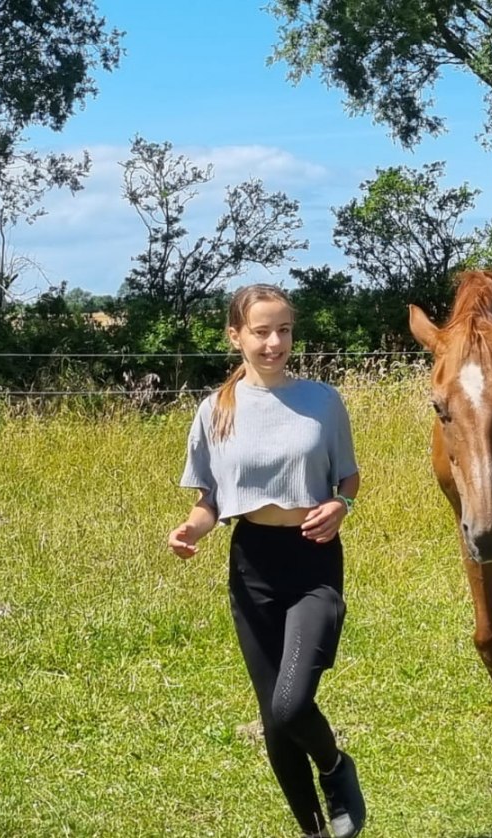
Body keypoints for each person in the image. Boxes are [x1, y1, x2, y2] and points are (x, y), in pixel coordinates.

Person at [167, 283, 366, 838]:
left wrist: (341, 505)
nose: (275, 342)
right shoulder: (215, 411)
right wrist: (191, 530)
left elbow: (347, 475)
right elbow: (211, 501)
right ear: (236, 336)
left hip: (313, 562)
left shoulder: (323, 401)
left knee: (290, 703)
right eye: (261, 331)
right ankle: (314, 831)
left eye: (284, 329)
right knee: (275, 722)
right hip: (252, 566)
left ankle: (335, 767)